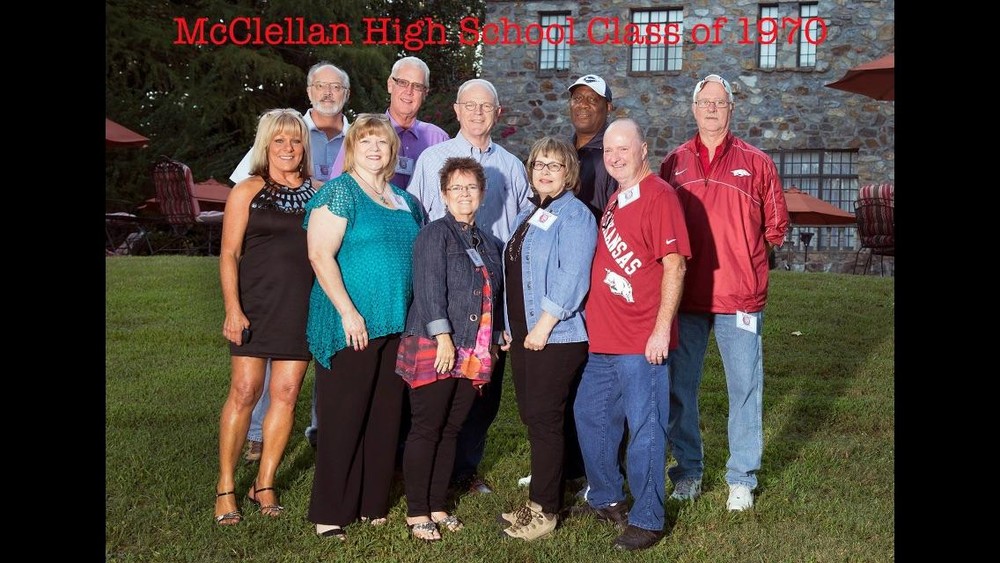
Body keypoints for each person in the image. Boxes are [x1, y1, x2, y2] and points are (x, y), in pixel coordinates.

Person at [659, 74, 789, 512]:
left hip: (740, 299)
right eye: (705, 102)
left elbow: (776, 227)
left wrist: (743, 256)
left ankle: (741, 478)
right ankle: (688, 472)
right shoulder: (673, 163)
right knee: (680, 388)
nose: (712, 108)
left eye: (720, 102)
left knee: (745, 389)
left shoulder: (758, 162)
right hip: (687, 298)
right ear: (694, 109)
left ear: (731, 109)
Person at [406, 78, 532, 494]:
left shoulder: (511, 167)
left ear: (498, 113)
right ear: (456, 111)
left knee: (483, 393)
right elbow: (417, 220)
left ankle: (464, 469)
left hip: (492, 294)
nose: (478, 113)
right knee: (437, 393)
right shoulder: (432, 159)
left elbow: (521, 229)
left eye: (486, 106)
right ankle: (424, 473)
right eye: (470, 105)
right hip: (446, 292)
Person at [304, 114, 424, 540]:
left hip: (396, 322)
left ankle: (372, 503)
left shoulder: (405, 200)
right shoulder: (339, 192)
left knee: (385, 416)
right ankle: (329, 511)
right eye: (366, 141)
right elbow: (319, 255)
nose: (375, 149)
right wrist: (347, 312)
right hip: (351, 321)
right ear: (352, 148)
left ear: (393, 151)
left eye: (383, 142)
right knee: (344, 416)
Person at [573, 118, 690, 551]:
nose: (615, 157)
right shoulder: (618, 197)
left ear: (644, 149)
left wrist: (661, 331)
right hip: (605, 339)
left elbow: (675, 266)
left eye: (624, 148)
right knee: (590, 415)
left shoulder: (660, 196)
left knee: (646, 429)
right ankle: (606, 497)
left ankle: (648, 518)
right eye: (609, 150)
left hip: (642, 341)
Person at [239, 61, 353, 459]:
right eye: (320, 86)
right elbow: (247, 187)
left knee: (320, 348)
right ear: (309, 91)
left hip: (332, 255)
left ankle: (321, 430)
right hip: (278, 270)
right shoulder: (286, 130)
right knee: (267, 360)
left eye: (336, 87)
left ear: (346, 95)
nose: (328, 93)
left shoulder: (356, 138)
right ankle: (258, 433)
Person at [213, 108, 318, 525]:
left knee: (287, 394)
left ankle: (265, 482)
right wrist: (232, 308)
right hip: (255, 305)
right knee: (244, 391)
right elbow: (229, 254)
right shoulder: (247, 190)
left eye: (295, 140)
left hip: (302, 307)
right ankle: (226, 486)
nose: (288, 147)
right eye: (279, 140)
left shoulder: (319, 192)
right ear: (266, 145)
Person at [396, 157, 503, 542]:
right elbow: (428, 289)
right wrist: (442, 338)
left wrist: (497, 337)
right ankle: (417, 511)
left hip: (473, 350)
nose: (464, 194)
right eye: (456, 188)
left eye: (471, 187)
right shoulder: (434, 235)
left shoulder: (488, 242)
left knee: (452, 427)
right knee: (428, 427)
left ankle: (438, 504)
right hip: (436, 344)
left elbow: (494, 295)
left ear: (482, 194)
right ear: (443, 194)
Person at [498, 137, 597, 541]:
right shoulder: (530, 212)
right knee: (535, 416)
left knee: (543, 418)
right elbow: (515, 275)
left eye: (554, 165)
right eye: (539, 164)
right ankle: (553, 487)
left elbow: (572, 276)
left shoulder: (575, 215)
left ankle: (545, 510)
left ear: (568, 171)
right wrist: (511, 325)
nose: (545, 171)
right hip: (526, 333)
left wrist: (543, 325)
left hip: (556, 335)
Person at [329, 56, 450, 190]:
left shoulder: (439, 139)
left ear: (425, 93)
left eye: (417, 86)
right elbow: (335, 186)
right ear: (390, 85)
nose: (409, 91)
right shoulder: (361, 133)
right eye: (403, 83)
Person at [568, 74, 617, 218]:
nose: (583, 104)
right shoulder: (562, 152)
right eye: (577, 98)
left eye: (592, 99)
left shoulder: (615, 156)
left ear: (608, 107)